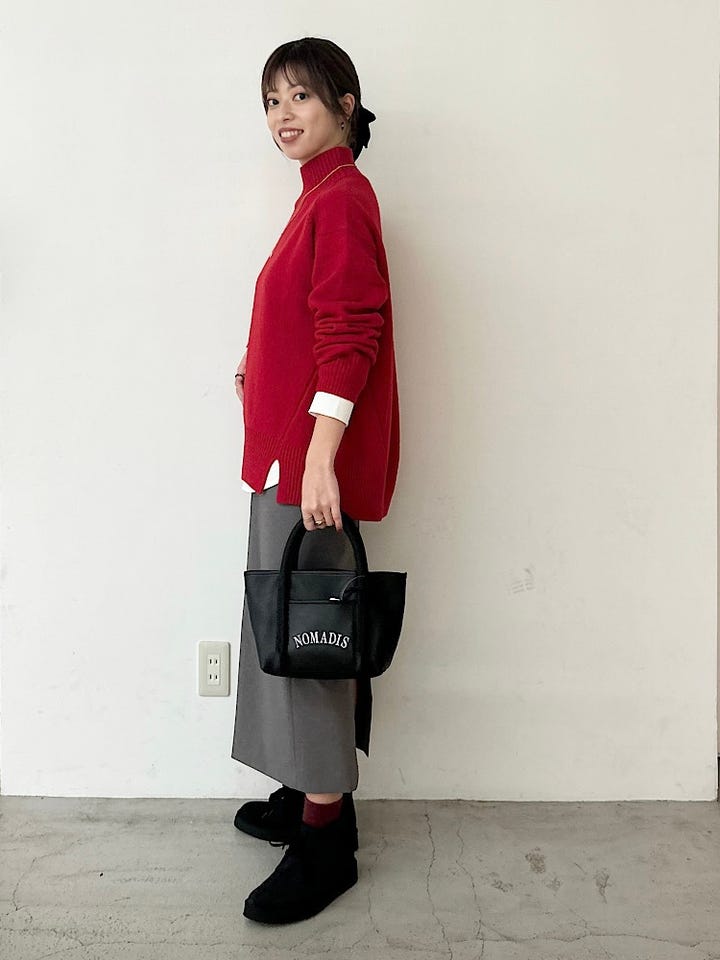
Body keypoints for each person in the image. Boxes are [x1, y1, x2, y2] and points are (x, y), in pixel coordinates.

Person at [229, 36, 400, 925]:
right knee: (286, 628)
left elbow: (351, 329)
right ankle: (308, 794)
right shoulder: (317, 199)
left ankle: (327, 839)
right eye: (271, 100)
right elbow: (305, 322)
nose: (282, 114)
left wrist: (321, 454)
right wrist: (257, 373)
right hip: (287, 458)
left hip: (307, 471)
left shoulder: (342, 198)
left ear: (344, 104)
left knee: (313, 643)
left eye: (299, 95)